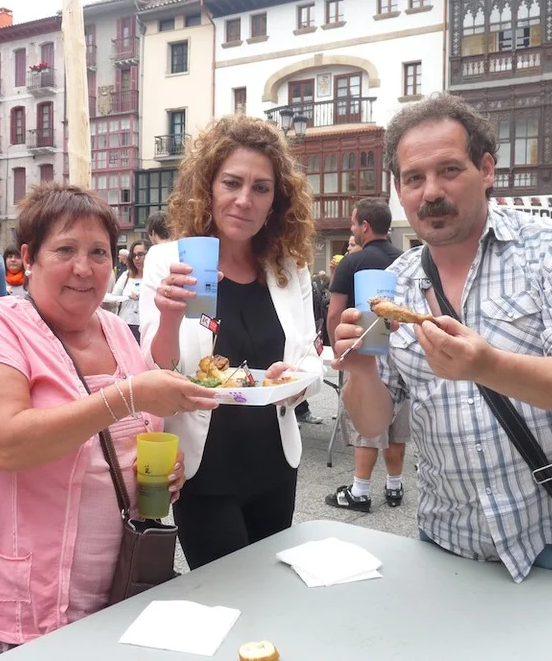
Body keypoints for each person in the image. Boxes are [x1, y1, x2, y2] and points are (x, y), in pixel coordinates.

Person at [334, 95, 552, 582]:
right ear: (399, 190)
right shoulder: (395, 283)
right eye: (414, 178)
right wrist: (361, 369)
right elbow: (374, 422)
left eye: (449, 170)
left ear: (486, 169)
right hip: (448, 542)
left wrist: (486, 366)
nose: (431, 192)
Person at [0, 183, 219, 658]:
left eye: (98, 252)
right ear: (28, 258)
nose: (84, 267)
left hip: (111, 597)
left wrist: (165, 472)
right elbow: (2, 443)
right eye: (65, 250)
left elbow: (129, 437)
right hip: (4, 605)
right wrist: (129, 395)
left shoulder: (117, 331)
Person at [139, 114, 323, 570]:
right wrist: (170, 316)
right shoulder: (170, 260)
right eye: (232, 183)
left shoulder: (287, 268)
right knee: (227, 592)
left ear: (276, 199)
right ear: (208, 187)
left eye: (261, 188)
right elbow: (160, 370)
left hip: (275, 463)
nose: (244, 200)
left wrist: (295, 382)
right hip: (205, 468)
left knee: (269, 588)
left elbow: (309, 357)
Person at [325, 197, 410, 512]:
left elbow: (335, 314)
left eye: (353, 223)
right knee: (398, 423)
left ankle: (360, 491)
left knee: (366, 424)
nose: (351, 229)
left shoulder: (353, 262)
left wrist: (338, 347)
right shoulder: (406, 259)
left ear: (365, 226)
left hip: (363, 349)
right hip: (400, 345)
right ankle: (394, 486)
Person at [113, 239, 150, 342]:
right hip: (125, 326)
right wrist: (127, 297)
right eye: (134, 256)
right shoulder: (126, 275)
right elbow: (112, 297)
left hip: (146, 327)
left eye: (140, 255)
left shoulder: (156, 277)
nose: (136, 259)